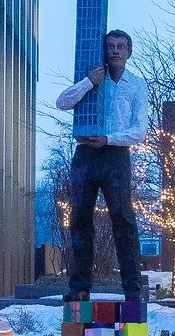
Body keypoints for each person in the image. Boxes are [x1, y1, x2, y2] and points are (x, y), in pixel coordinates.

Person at [55, 29, 150, 303]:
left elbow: (138, 131)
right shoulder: (94, 78)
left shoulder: (136, 85)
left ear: (129, 52)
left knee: (124, 220)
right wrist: (87, 82)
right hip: (86, 155)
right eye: (111, 46)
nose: (116, 51)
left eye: (121, 46)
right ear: (105, 50)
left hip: (116, 156)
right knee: (80, 221)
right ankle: (79, 288)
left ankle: (132, 290)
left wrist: (108, 139)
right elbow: (62, 102)